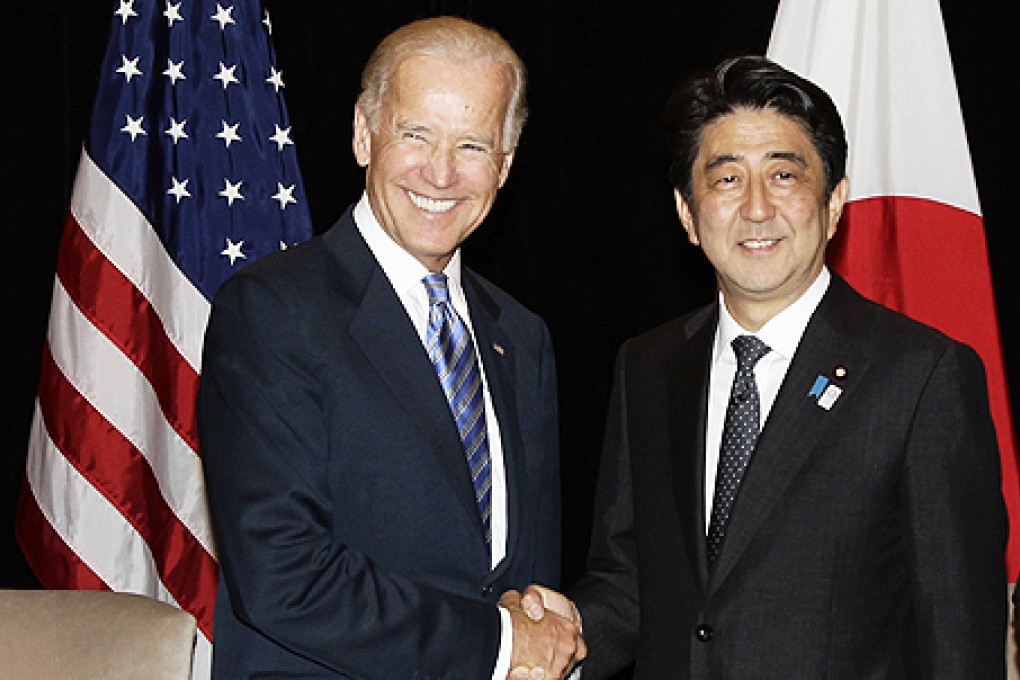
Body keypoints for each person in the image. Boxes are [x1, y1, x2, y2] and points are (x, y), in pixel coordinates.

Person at [521, 55, 1007, 678]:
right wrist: (561, 637)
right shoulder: (646, 366)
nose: (755, 208)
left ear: (834, 203)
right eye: (726, 180)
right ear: (687, 215)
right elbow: (632, 581)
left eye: (783, 175)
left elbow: (958, 634)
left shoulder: (923, 375)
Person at [198, 16, 583, 679]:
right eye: (415, 134)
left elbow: (526, 585)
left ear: (506, 163)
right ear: (362, 134)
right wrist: (496, 645)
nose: (441, 172)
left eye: (472, 144)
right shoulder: (271, 310)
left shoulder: (520, 337)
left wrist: (538, 645)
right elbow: (282, 576)